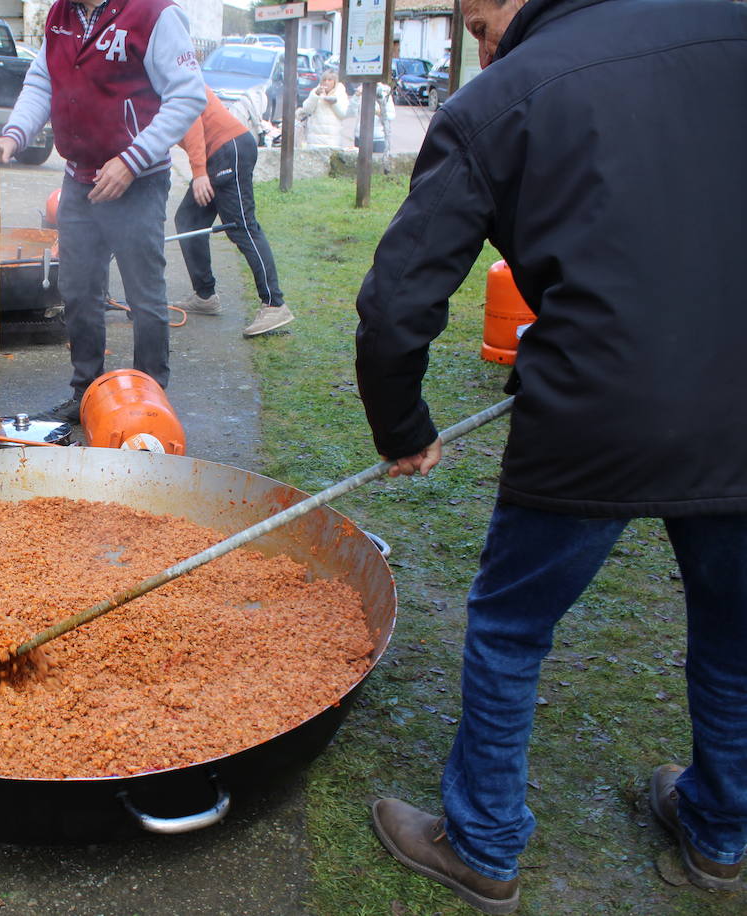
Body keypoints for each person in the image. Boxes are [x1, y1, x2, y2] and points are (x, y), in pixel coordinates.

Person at [353, 0, 747, 912]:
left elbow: (398, 299)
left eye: (473, 23)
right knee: (734, 637)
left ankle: (482, 843)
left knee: (511, 627)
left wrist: (403, 426)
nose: (478, 44)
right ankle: (720, 832)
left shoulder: (507, 95)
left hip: (601, 408)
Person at [0, 0, 204, 424]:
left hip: (138, 180)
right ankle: (86, 394)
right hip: (79, 178)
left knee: (145, 297)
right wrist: (13, 137)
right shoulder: (60, 14)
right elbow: (41, 83)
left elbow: (187, 94)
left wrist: (132, 160)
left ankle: (149, 403)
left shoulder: (154, 13)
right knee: (78, 292)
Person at [173, 86, 291, 338]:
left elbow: (191, 117)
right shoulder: (145, 85)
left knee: (242, 226)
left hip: (229, 149)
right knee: (188, 221)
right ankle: (205, 295)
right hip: (215, 155)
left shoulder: (170, 75)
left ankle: (274, 304)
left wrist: (198, 172)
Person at [297, 66, 348, 149]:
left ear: (335, 82)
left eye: (329, 80)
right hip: (315, 140)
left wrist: (334, 103)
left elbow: (343, 114)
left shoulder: (340, 93)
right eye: (324, 80)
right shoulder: (315, 91)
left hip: (332, 140)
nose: (326, 82)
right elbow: (307, 109)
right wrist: (315, 95)